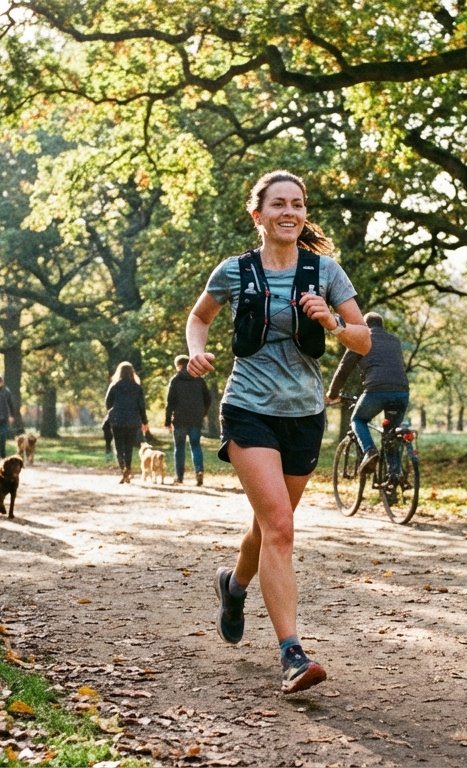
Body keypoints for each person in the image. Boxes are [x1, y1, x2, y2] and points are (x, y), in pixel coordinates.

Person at [185, 170, 370, 694]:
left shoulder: (326, 272)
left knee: (269, 527)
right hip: (248, 408)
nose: (289, 211)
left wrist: (333, 324)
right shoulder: (235, 271)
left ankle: (234, 584)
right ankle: (292, 653)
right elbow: (199, 317)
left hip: (304, 414)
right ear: (258, 214)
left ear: (304, 214)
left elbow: (363, 342)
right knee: (282, 528)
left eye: (298, 204)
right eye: (278, 204)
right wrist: (197, 350)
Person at [326, 311, 410, 472]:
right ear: (382, 325)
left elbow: (344, 369)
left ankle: (369, 451)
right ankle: (394, 478)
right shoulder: (395, 341)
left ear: (365, 326)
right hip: (402, 391)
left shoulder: (360, 339)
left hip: (376, 390)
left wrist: (332, 393)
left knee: (357, 420)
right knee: (391, 434)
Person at [164, 354, 212, 485]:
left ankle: (179, 477)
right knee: (195, 445)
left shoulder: (175, 380)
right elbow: (208, 399)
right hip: (196, 419)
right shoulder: (199, 380)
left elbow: (170, 402)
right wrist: (203, 413)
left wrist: (167, 421)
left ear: (178, 365)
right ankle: (199, 471)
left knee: (179, 447)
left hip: (179, 419)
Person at [104, 362, 149, 483]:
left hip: (117, 420)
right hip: (132, 421)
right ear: (131, 373)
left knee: (119, 447)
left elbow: (108, 402)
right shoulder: (137, 387)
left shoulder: (114, 386)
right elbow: (141, 406)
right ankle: (128, 469)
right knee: (129, 447)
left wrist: (113, 411)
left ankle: (123, 468)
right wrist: (144, 422)